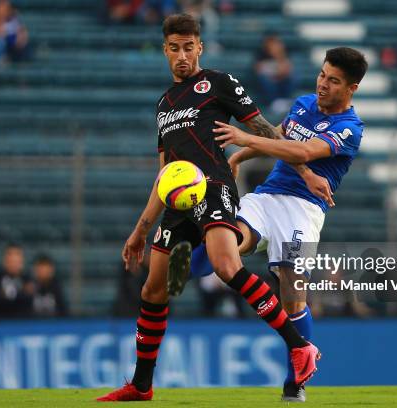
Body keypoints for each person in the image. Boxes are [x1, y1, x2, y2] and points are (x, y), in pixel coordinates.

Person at [96, 13, 320, 402]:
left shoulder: (218, 82)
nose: (181, 55)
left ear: (199, 47)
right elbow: (164, 174)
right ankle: (142, 385)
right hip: (177, 201)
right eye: (174, 48)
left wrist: (302, 170)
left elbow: (265, 129)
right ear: (165, 50)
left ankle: (300, 346)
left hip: (213, 187)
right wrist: (140, 229)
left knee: (226, 266)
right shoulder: (164, 104)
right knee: (153, 289)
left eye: (188, 47)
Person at [169, 47, 368, 401]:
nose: (322, 84)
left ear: (351, 88)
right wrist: (242, 156)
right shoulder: (304, 103)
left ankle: (296, 384)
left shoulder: (349, 128)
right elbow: (280, 136)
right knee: (230, 240)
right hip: (267, 197)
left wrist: (245, 138)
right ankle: (190, 257)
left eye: (333, 81)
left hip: (304, 211)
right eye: (322, 75)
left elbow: (303, 153)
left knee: (291, 289)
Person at [254, 32, 296, 112]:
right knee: (264, 80)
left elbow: (286, 69)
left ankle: (284, 100)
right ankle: (273, 102)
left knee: (291, 77)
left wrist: (278, 55)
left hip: (280, 80)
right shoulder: (260, 54)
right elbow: (259, 70)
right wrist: (275, 73)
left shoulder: (284, 54)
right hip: (268, 82)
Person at [0, 243, 33, 318]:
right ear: (5, 260)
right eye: (10, 259)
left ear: (21, 261)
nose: (13, 262)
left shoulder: (28, 278)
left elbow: (28, 300)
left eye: (16, 259)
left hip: (24, 322)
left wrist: (8, 294)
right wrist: (21, 293)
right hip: (2, 322)